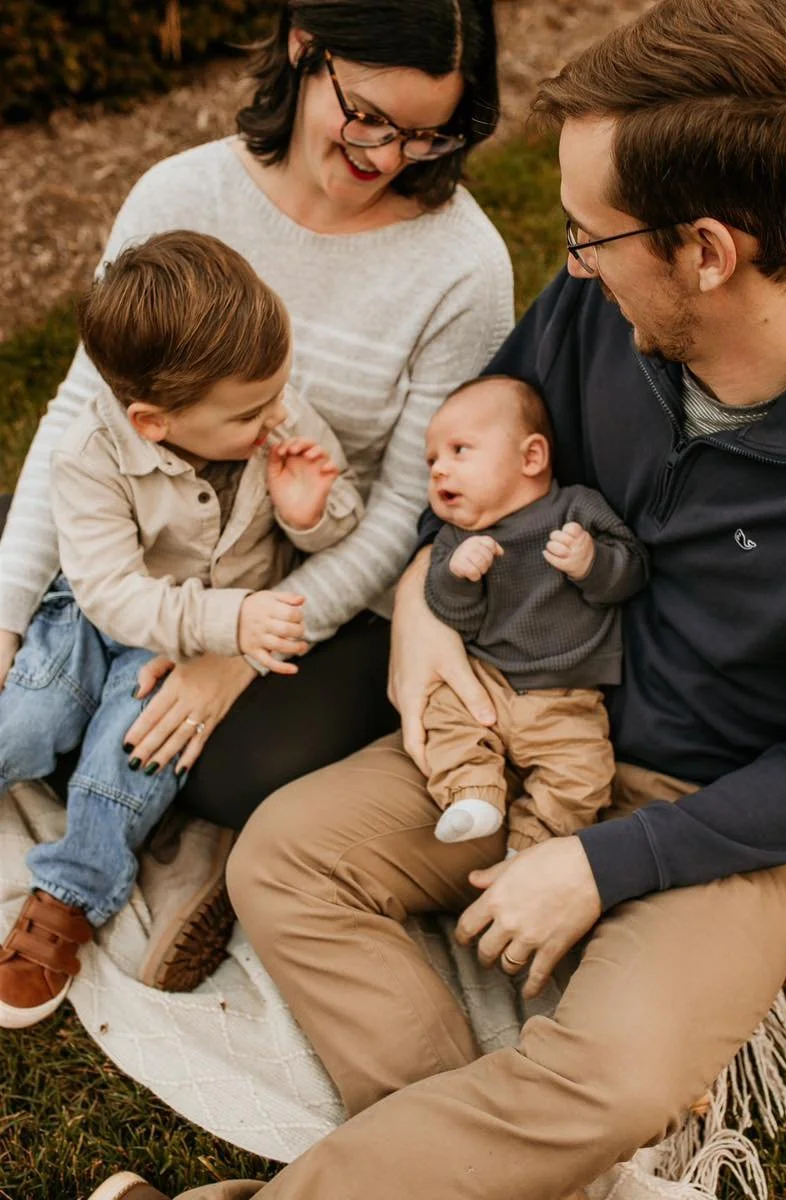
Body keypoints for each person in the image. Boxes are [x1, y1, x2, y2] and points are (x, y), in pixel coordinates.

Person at [87, 0, 786, 1197]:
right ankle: (463, 1166)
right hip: (514, 716)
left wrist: (606, 867)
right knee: (282, 862)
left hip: (718, 806)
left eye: (590, 237)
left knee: (609, 1081)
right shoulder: (605, 317)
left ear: (705, 251)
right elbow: (478, 452)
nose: (571, 265)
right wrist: (424, 600)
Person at [0, 0, 512, 975]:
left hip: (307, 587)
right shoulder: (179, 193)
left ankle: (186, 839)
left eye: (426, 131)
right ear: (302, 48)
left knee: (249, 767)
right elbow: (82, 412)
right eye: (366, 115)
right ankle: (126, 773)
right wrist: (8, 616)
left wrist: (231, 649)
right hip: (136, 547)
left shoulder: (462, 268)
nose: (389, 154)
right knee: (42, 620)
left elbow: (415, 513)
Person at [0, 230, 366, 1028]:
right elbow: (108, 593)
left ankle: (70, 891)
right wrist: (230, 619)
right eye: (249, 412)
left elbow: (338, 527)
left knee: (132, 752)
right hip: (103, 615)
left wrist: (313, 515)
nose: (276, 415)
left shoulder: (276, 412)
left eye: (280, 391)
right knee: (26, 724)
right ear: (153, 422)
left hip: (186, 651)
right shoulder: (90, 454)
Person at [423, 375, 648, 852]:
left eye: (459, 450)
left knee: (583, 774)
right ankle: (472, 795)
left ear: (531, 457)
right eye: (432, 461)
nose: (439, 469)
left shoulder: (577, 509)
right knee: (441, 716)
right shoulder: (456, 540)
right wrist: (456, 578)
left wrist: (592, 563)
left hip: (565, 695)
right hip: (484, 681)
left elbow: (632, 573)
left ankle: (529, 844)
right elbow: (454, 617)